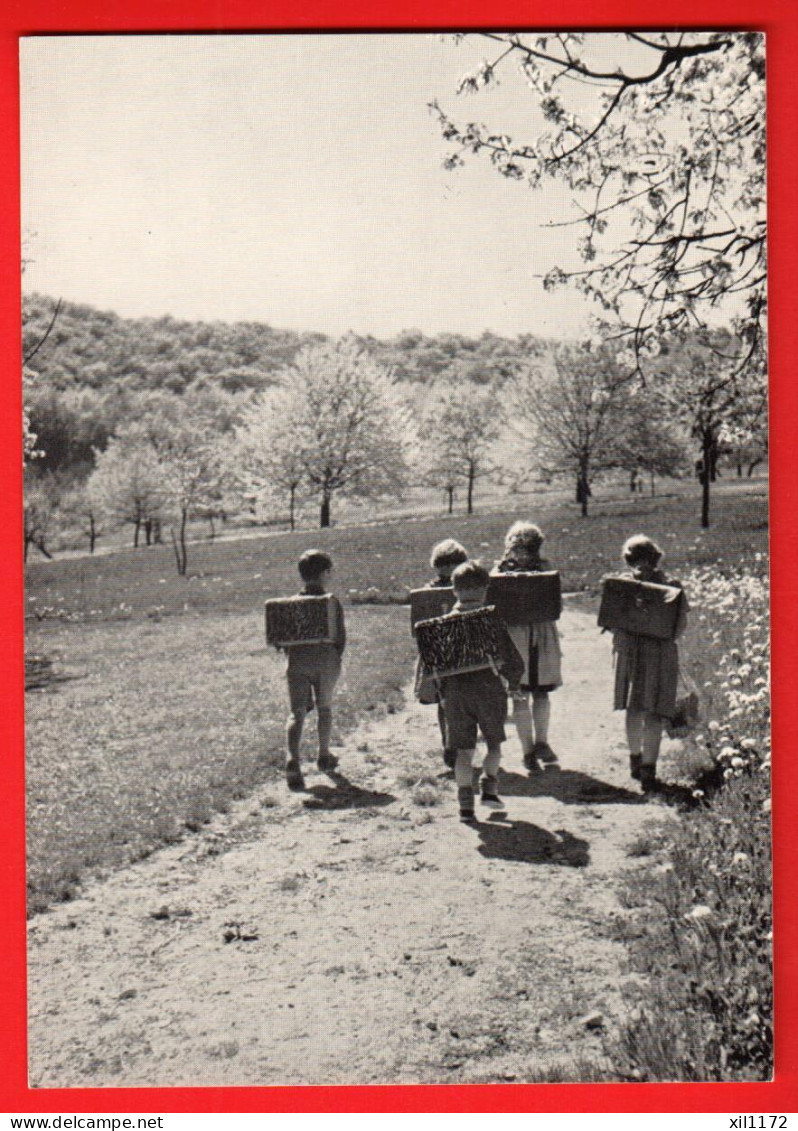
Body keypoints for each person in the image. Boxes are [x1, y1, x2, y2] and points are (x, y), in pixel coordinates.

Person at [438, 561, 524, 822]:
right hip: (489, 690)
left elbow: (435, 664)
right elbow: (512, 659)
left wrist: (441, 693)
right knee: (494, 743)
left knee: (463, 751)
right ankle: (489, 787)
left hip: (456, 693)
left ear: (454, 590)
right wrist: (515, 683)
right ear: (486, 589)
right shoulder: (492, 620)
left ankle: (465, 806)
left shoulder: (443, 623)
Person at [612, 534, 689, 794]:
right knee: (655, 712)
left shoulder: (622, 586)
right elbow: (679, 626)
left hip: (632, 654)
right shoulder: (672, 585)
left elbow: (613, 622)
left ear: (627, 561)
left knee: (634, 709)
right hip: (661, 654)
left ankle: (636, 758)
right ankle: (648, 768)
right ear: (656, 558)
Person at [494, 521, 563, 774]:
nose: (522, 556)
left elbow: (554, 601)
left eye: (528, 550)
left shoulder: (545, 570)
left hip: (541, 634)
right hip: (515, 639)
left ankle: (542, 741)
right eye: (517, 549)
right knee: (520, 693)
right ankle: (527, 750)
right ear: (509, 549)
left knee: (542, 691)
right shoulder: (499, 572)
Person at [281, 550, 346, 792]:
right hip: (325, 659)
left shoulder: (291, 604)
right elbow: (340, 636)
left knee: (296, 712)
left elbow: (284, 637)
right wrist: (335, 657)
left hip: (297, 660)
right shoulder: (331, 601)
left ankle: (292, 758)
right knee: (324, 707)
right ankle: (323, 754)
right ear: (325, 573)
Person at [417, 539, 469, 769]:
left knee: (458, 699)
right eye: (443, 565)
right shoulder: (430, 592)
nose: (447, 571)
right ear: (436, 566)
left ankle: (457, 742)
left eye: (452, 565)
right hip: (441, 651)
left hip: (461, 650)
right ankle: (449, 743)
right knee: (444, 699)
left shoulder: (468, 588)